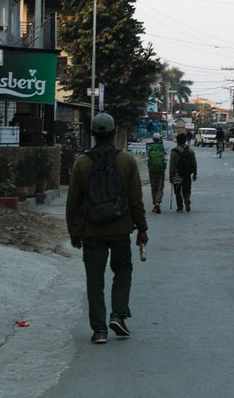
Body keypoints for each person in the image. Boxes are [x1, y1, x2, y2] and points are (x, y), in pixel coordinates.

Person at [66, 113, 148, 344]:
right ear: (113, 134)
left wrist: (74, 231)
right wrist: (141, 229)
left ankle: (99, 330)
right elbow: (135, 200)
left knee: (95, 279)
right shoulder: (126, 161)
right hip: (121, 229)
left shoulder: (81, 162)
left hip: (92, 231)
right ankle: (118, 315)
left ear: (92, 134)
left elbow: (73, 201)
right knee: (122, 272)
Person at [169, 133, 198, 212]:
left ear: (177, 141)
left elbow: (172, 165)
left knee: (177, 190)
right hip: (187, 173)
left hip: (177, 174)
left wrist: (171, 176)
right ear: (185, 140)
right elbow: (194, 163)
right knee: (187, 189)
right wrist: (195, 174)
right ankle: (187, 199)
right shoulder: (190, 150)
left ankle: (180, 207)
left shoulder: (174, 151)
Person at [146, 133, 166, 214]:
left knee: (153, 186)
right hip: (161, 170)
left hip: (152, 170)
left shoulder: (149, 147)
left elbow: (147, 157)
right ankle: (158, 202)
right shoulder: (162, 147)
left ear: (153, 139)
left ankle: (155, 203)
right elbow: (165, 158)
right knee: (160, 187)